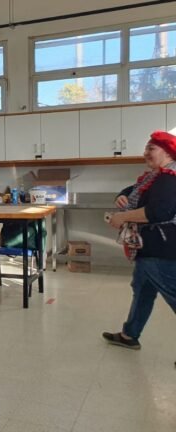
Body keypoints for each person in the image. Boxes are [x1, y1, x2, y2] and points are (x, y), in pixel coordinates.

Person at [102, 130, 176, 351]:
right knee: (142, 289)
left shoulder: (169, 178)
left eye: (151, 148)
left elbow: (157, 212)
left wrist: (122, 217)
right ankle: (129, 335)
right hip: (150, 248)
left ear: (168, 152)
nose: (145, 153)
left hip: (160, 248)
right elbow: (134, 190)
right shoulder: (155, 176)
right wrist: (121, 196)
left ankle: (129, 334)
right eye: (146, 148)